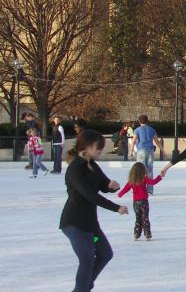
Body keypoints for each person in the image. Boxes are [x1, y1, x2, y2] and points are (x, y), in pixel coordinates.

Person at [60, 130, 128, 292]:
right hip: (75, 224)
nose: (100, 150)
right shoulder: (75, 168)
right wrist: (116, 207)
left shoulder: (93, 165)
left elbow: (103, 184)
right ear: (88, 146)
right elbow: (90, 195)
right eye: (98, 147)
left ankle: (85, 285)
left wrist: (111, 186)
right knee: (87, 258)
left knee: (105, 253)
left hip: (91, 226)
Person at [118, 162, 162, 240]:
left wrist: (120, 194)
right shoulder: (144, 178)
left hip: (135, 203)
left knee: (138, 218)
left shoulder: (131, 181)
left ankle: (136, 234)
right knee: (145, 218)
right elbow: (152, 182)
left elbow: (125, 189)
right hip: (144, 202)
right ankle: (147, 234)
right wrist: (160, 176)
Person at [131, 115, 163, 194]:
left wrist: (131, 150)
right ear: (147, 121)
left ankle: (140, 188)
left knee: (140, 170)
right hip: (150, 151)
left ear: (139, 121)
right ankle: (150, 190)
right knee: (149, 170)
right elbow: (157, 141)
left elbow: (133, 141)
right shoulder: (152, 130)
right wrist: (163, 150)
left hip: (141, 150)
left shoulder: (137, 130)